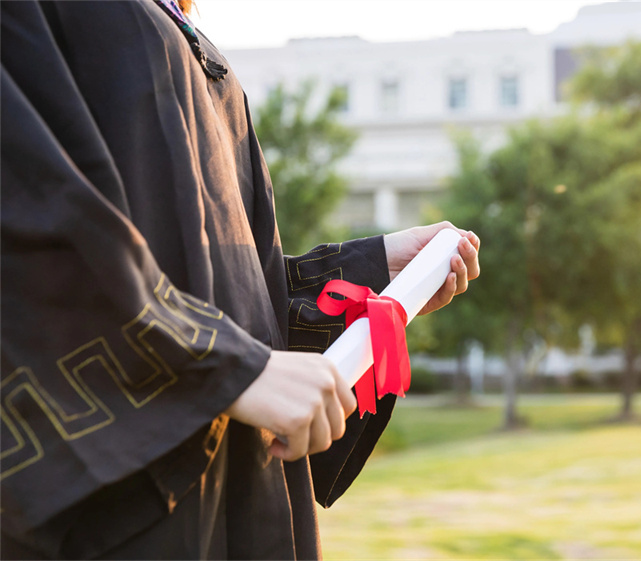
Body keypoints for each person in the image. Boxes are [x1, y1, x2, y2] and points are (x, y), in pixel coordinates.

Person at [0, 1, 480, 559]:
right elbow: (24, 215)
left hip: (242, 474)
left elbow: (230, 282)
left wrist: (365, 274)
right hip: (132, 491)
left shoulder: (175, 20)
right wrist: (220, 361)